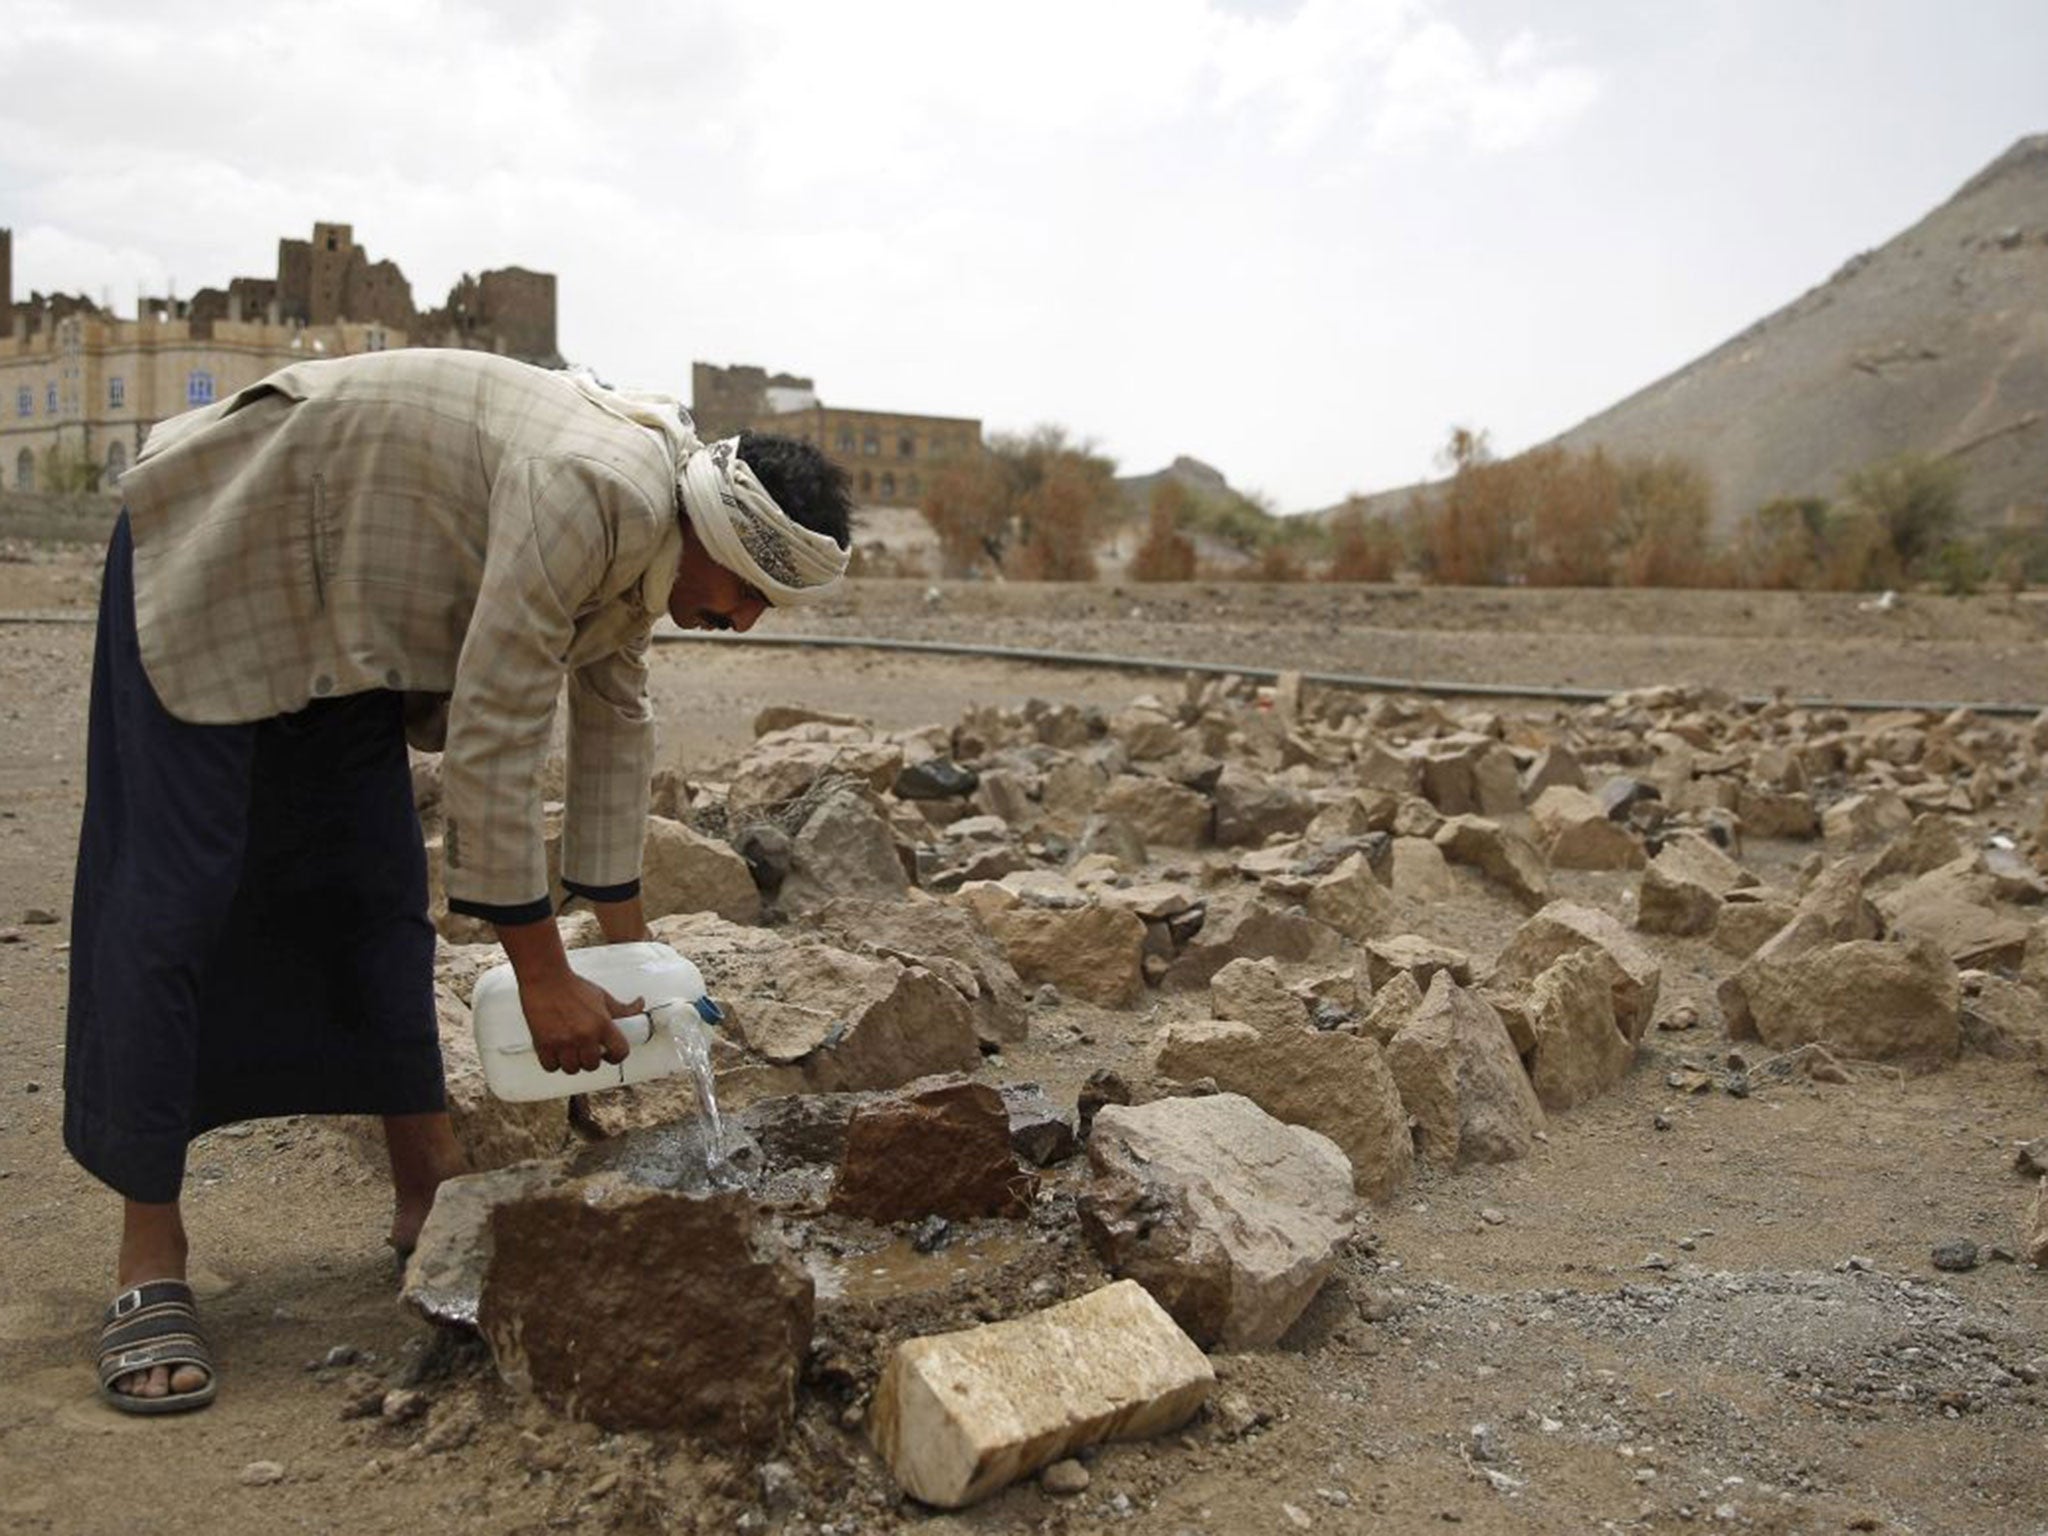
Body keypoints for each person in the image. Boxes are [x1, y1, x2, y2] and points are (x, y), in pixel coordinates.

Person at [68, 349, 854, 1414]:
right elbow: (495, 725)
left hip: (355, 599)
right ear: (714, 538)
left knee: (375, 893)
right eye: (749, 596)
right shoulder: (600, 491)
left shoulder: (657, 535)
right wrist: (540, 975)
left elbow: (615, 725)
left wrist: (627, 959)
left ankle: (425, 1202)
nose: (746, 621)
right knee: (177, 893)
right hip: (231, 540)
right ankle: (148, 1257)